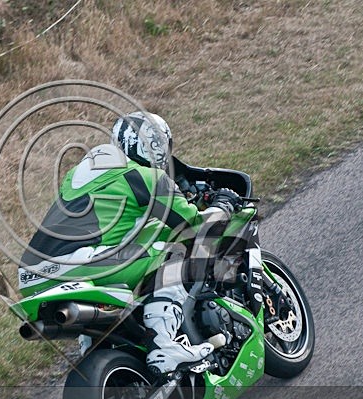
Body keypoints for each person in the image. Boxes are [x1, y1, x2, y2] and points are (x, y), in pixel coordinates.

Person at [18, 111, 242, 374]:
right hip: (80, 261)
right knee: (175, 252)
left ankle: (100, 352)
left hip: (31, 275)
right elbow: (193, 224)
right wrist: (223, 204)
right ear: (157, 147)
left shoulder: (81, 175)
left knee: (132, 264)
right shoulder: (144, 177)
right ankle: (165, 344)